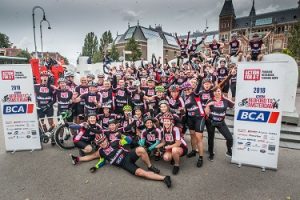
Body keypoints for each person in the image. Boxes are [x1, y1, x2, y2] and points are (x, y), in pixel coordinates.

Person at [70, 134, 172, 188]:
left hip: (128, 155)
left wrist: (122, 136)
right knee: (141, 173)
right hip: (124, 164)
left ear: (106, 139)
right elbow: (90, 157)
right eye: (100, 143)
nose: (102, 143)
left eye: (103, 141)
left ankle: (150, 166)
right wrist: (78, 159)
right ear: (98, 144)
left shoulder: (115, 142)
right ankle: (164, 178)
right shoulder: (101, 152)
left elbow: (129, 140)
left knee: (141, 149)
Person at [205, 86, 234, 158]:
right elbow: (206, 113)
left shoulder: (225, 100)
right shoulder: (210, 100)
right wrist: (208, 105)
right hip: (211, 122)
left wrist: (226, 98)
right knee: (211, 138)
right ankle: (211, 153)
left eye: (218, 91)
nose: (217, 93)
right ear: (213, 93)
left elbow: (233, 104)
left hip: (221, 123)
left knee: (229, 138)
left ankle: (229, 151)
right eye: (215, 91)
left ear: (221, 92)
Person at [182, 81, 205, 168]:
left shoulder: (194, 94)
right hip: (191, 118)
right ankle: (193, 151)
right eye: (185, 90)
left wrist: (201, 78)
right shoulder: (186, 98)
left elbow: (198, 87)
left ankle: (201, 157)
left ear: (191, 89)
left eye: (188, 89)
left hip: (199, 117)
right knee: (192, 135)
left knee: (198, 137)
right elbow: (186, 111)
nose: (187, 90)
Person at [34, 71, 56, 144]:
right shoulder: (36, 86)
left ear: (48, 78)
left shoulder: (51, 87)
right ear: (40, 77)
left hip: (49, 108)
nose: (44, 77)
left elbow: (55, 99)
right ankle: (46, 134)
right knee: (41, 124)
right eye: (43, 76)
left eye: (46, 76)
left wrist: (49, 105)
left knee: (51, 123)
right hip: (40, 108)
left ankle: (53, 137)